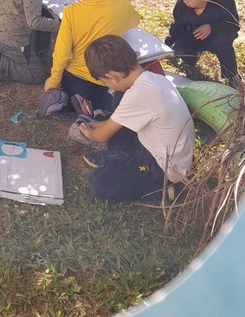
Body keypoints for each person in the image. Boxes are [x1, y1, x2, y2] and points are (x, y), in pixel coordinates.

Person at [76, 35, 195, 202]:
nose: (108, 86)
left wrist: (88, 132)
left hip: (163, 167)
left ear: (113, 76)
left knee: (99, 183)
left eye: (105, 81)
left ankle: (162, 189)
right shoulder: (154, 79)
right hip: (158, 148)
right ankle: (119, 155)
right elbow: (117, 121)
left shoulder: (138, 95)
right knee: (121, 94)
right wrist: (98, 124)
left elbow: (100, 136)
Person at [39, 0, 139, 116]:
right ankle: (91, 108)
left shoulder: (71, 11)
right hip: (101, 81)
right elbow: (136, 20)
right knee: (112, 103)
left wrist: (53, 81)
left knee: (76, 96)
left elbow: (62, 52)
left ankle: (66, 100)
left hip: (69, 78)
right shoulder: (123, 8)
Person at [165, 0, 240, 84]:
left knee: (224, 46)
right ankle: (189, 61)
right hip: (193, 37)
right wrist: (171, 43)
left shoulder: (224, 4)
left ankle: (231, 76)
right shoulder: (181, 5)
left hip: (216, 38)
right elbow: (177, 25)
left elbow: (233, 26)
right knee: (181, 46)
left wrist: (212, 27)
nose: (185, 1)